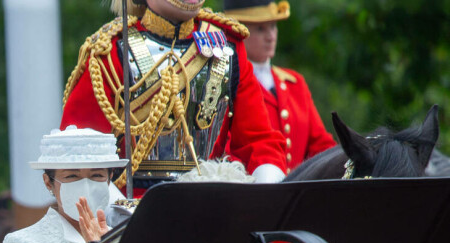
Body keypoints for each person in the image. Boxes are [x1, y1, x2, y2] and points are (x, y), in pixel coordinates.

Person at [60, 0, 287, 194]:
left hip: (210, 204)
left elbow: (260, 142)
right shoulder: (109, 51)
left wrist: (266, 194)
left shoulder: (228, 46)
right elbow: (80, 155)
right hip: (128, 217)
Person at [222, 0, 335, 174]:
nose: (271, 36)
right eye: (260, 29)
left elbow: (321, 147)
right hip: (250, 192)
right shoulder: (226, 83)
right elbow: (224, 152)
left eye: (273, 27)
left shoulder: (295, 84)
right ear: (237, 31)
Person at [1, 126, 127, 243]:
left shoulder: (124, 239)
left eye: (97, 175)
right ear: (48, 182)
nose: (85, 187)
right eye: (72, 176)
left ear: (109, 179)